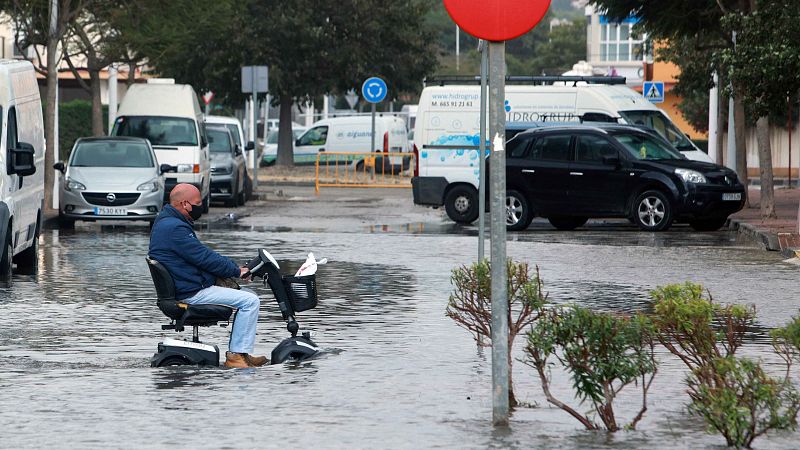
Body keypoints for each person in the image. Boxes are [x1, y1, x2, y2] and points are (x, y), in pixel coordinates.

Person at [149, 183, 266, 368]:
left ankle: (241, 353)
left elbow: (199, 257)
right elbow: (204, 257)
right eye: (198, 202)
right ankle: (236, 357)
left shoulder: (167, 222)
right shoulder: (175, 228)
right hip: (190, 292)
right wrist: (237, 271)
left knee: (249, 297)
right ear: (185, 204)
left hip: (186, 286)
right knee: (250, 302)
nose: (201, 205)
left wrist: (233, 270)